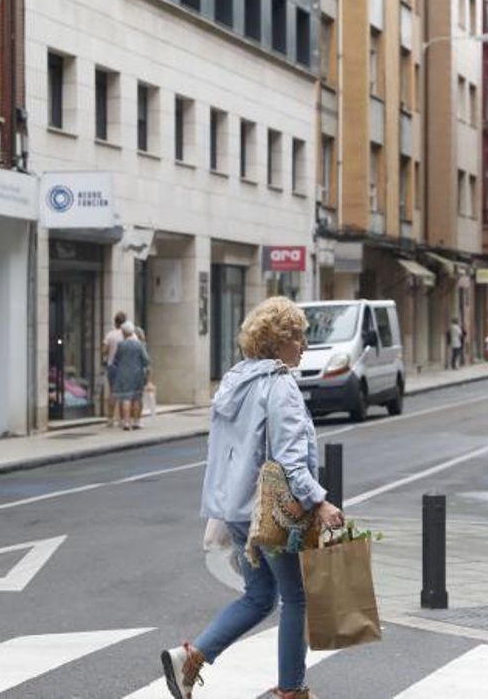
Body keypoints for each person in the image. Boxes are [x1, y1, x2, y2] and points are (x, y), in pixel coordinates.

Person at [161, 296, 344, 699]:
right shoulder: (279, 387)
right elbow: (291, 459)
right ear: (278, 342)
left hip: (239, 511)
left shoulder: (234, 381)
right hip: (271, 512)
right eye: (298, 337)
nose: (304, 346)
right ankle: (292, 691)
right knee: (295, 598)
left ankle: (190, 658)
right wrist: (320, 501)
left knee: (260, 596)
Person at [111, 321, 150, 430]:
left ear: (124, 332)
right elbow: (146, 360)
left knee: (125, 398)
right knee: (137, 397)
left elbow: (116, 359)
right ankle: (136, 422)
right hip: (137, 374)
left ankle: (126, 422)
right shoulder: (139, 344)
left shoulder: (121, 345)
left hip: (123, 374)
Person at [102, 311, 127, 426]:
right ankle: (122, 420)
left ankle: (110, 419)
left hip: (112, 366)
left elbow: (104, 350)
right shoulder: (126, 335)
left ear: (115, 322)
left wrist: (106, 358)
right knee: (123, 393)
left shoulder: (110, 335)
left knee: (113, 392)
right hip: (124, 366)